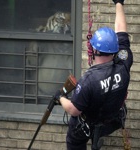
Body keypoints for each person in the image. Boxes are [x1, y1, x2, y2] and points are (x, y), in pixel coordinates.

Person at [54, 0, 133, 149]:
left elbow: (74, 109)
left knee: (74, 137)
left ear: (95, 51)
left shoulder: (88, 81)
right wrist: (119, 3)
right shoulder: (124, 62)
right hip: (112, 122)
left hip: (87, 127)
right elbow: (122, 31)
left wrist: (60, 98)